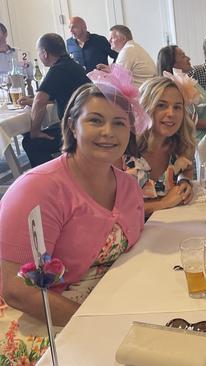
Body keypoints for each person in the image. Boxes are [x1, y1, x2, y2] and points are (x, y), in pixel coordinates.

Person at [0, 77, 146, 330]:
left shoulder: (128, 185)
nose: (108, 132)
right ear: (72, 125)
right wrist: (95, 326)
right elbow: (15, 290)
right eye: (95, 120)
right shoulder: (38, 189)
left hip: (110, 307)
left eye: (119, 123)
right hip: (43, 322)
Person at [122, 76, 196, 216]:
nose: (171, 113)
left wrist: (184, 181)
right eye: (161, 105)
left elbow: (187, 168)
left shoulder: (179, 146)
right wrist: (163, 204)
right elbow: (113, 210)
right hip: (131, 235)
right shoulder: (123, 148)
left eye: (177, 107)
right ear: (145, 107)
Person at [19, 33, 90, 167]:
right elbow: (54, 95)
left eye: (39, 52)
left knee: (30, 141)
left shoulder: (57, 69)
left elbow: (40, 101)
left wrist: (35, 131)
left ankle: (50, 179)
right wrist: (31, 100)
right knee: (50, 128)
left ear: (45, 53)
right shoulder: (72, 65)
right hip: (85, 124)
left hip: (76, 130)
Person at [157, 45, 206, 139]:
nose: (188, 58)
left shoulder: (188, 80)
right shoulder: (173, 88)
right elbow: (188, 121)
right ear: (172, 64)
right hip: (200, 138)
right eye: (183, 56)